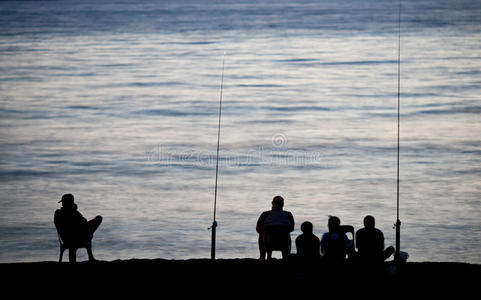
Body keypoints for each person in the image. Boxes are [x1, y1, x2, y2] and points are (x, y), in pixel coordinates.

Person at [54, 193, 102, 262]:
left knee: (97, 219)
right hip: (73, 237)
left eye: (63, 202)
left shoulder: (61, 213)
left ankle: (90, 255)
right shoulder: (69, 213)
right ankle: (89, 255)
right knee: (97, 220)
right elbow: (82, 222)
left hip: (71, 237)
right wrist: (74, 210)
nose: (62, 204)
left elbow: (83, 222)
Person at [256, 196, 295, 260]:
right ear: (283, 204)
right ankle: (286, 256)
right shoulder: (288, 214)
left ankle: (262, 256)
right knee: (288, 235)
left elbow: (258, 228)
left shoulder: (265, 214)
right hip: (283, 243)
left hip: (268, 243)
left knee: (261, 235)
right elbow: (291, 228)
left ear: (272, 203)